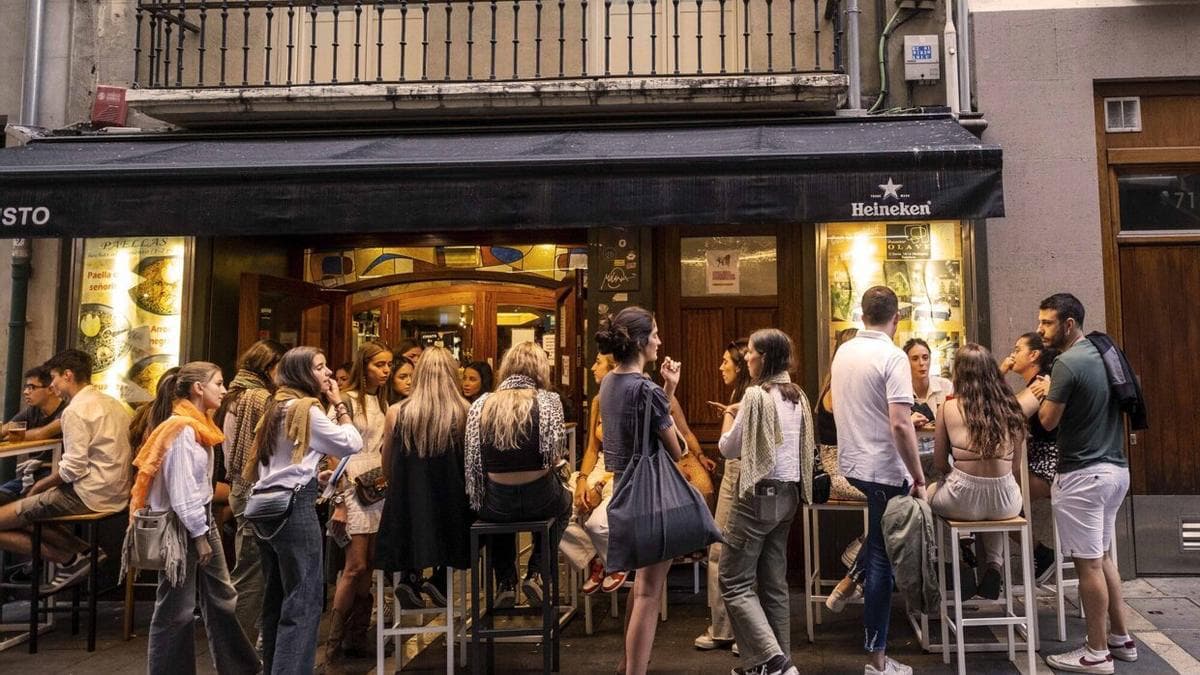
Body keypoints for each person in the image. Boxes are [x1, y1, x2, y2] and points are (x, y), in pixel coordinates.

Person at [125, 362, 259, 675]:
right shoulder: (182, 429)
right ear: (198, 388)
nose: (224, 390)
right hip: (182, 524)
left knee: (221, 596)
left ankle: (241, 667)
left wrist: (202, 529)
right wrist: (199, 536)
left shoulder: (198, 425)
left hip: (198, 520)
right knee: (177, 607)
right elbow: (182, 489)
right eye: (219, 383)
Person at [244, 346, 362, 674]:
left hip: (266, 506)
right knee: (304, 600)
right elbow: (351, 443)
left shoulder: (275, 406)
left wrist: (315, 473)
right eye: (320, 368)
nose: (327, 374)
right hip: (293, 509)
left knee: (276, 597)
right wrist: (339, 404)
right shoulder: (307, 408)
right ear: (301, 373)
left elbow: (280, 461)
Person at [1035, 293, 1136, 674]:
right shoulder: (1102, 352)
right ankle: (1120, 638)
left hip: (1082, 475)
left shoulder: (1067, 363)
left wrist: (1045, 393)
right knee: (1104, 557)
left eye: (1047, 323)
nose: (1041, 329)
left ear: (1069, 324)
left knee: (1088, 565)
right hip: (1114, 471)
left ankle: (1095, 652)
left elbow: (1047, 422)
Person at [831, 287, 925, 675]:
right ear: (896, 318)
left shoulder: (844, 350)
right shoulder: (892, 356)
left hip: (853, 464)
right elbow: (901, 423)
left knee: (877, 544)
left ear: (861, 313)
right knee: (883, 563)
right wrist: (918, 477)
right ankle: (877, 660)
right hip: (885, 469)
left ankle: (847, 583)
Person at [596, 306, 684, 675]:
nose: (660, 341)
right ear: (639, 341)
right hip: (651, 496)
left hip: (622, 491)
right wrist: (669, 391)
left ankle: (627, 664)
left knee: (639, 586)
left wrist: (666, 389)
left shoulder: (608, 384)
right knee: (649, 592)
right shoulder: (645, 389)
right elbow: (675, 448)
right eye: (656, 334)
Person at [718, 328, 811, 675]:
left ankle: (772, 660)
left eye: (752, 352)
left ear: (766, 357)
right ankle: (773, 663)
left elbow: (728, 448)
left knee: (734, 581)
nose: (747, 357)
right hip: (788, 496)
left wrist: (730, 415)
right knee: (774, 583)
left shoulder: (756, 396)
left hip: (756, 497)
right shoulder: (796, 395)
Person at [0, 349, 132, 591]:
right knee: (26, 509)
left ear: (68, 375)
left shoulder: (75, 411)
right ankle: (81, 553)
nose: (53, 385)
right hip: (117, 492)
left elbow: (73, 468)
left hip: (90, 494)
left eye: (54, 378)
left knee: (20, 506)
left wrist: (41, 485)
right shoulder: (113, 403)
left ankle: (70, 559)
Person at [465, 341, 570, 608]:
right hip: (541, 498)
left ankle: (505, 581)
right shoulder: (548, 401)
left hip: (497, 504)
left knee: (494, 515)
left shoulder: (481, 404)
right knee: (565, 505)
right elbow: (554, 455)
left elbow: (473, 461)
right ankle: (536, 571)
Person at [376, 346, 473, 611]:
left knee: (412, 514)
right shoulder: (465, 412)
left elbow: (388, 467)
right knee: (462, 525)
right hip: (452, 505)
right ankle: (440, 578)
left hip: (408, 506)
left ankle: (410, 576)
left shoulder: (397, 412)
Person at [929, 344, 1027, 600]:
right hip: (1007, 501)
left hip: (961, 499)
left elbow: (940, 462)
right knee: (992, 508)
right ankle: (994, 565)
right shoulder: (1011, 408)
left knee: (925, 497)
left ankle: (957, 561)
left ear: (958, 373)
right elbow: (1015, 468)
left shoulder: (947, 408)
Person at [325, 341, 393, 661]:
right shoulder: (347, 402)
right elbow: (331, 453)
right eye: (380, 365)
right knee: (354, 566)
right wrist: (338, 501)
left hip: (377, 486)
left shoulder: (382, 401)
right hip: (351, 485)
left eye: (389, 365)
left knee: (369, 567)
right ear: (363, 365)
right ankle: (334, 641)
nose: (386, 371)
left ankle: (357, 635)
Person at [216, 338, 284, 645]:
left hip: (238, 487)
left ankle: (247, 640)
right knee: (252, 571)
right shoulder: (258, 398)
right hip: (252, 489)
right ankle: (240, 647)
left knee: (251, 567)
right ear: (270, 367)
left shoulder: (233, 395)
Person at [694, 338, 750, 651]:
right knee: (731, 552)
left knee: (728, 551)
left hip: (740, 473)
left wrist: (730, 413)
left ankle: (732, 630)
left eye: (726, 361)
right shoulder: (743, 394)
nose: (720, 366)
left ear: (740, 365)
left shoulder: (746, 397)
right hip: (740, 473)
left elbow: (725, 443)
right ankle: (728, 628)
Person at [1000, 331, 1061, 581]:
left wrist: (998, 374)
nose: (1012, 355)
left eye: (1017, 350)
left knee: (999, 501)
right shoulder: (1032, 384)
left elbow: (1007, 413)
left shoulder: (1040, 383)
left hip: (1050, 466)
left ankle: (1040, 553)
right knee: (998, 497)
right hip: (1037, 462)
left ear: (1033, 355)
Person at [560, 353, 620, 594]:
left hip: (622, 471)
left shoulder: (629, 399)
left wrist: (597, 487)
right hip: (599, 467)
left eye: (598, 362)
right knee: (558, 510)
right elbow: (592, 449)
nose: (593, 367)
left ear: (613, 367)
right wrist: (584, 481)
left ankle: (614, 563)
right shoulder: (598, 400)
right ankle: (595, 558)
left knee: (597, 523)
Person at [0, 366, 66, 506]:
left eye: (31, 387)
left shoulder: (67, 412)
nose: (25, 392)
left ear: (50, 389)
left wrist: (11, 435)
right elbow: (6, 429)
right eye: (25, 387)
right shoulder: (32, 411)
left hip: (57, 475)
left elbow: (41, 434)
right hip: (32, 474)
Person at [904, 337, 953, 457]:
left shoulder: (945, 386)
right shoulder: (900, 390)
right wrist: (907, 422)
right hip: (910, 454)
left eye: (925, 358)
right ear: (906, 362)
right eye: (915, 359)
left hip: (942, 452)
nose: (921, 363)